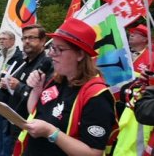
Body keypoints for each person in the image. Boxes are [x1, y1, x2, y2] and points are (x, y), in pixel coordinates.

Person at [23, 18, 116, 155]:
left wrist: (51, 133)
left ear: (80, 54)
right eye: (52, 48)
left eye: (59, 49)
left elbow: (94, 153)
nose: (51, 54)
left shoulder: (97, 96)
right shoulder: (57, 80)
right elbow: (36, 113)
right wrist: (36, 90)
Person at [3, 24, 53, 145]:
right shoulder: (23, 63)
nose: (26, 41)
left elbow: (43, 96)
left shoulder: (47, 66)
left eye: (31, 38)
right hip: (13, 123)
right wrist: (7, 85)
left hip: (29, 130)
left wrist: (18, 86)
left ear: (42, 41)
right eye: (24, 38)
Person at [113, 24, 154, 156]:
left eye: (135, 33)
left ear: (144, 39)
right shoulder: (124, 54)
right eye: (131, 33)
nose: (131, 35)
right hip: (121, 101)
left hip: (139, 107)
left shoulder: (151, 57)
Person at [0, 31, 23, 156]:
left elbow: (19, 81)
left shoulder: (19, 57)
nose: (1, 41)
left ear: (13, 40)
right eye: (0, 39)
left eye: (4, 39)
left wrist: (8, 85)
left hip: (8, 100)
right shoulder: (1, 55)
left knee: (6, 131)